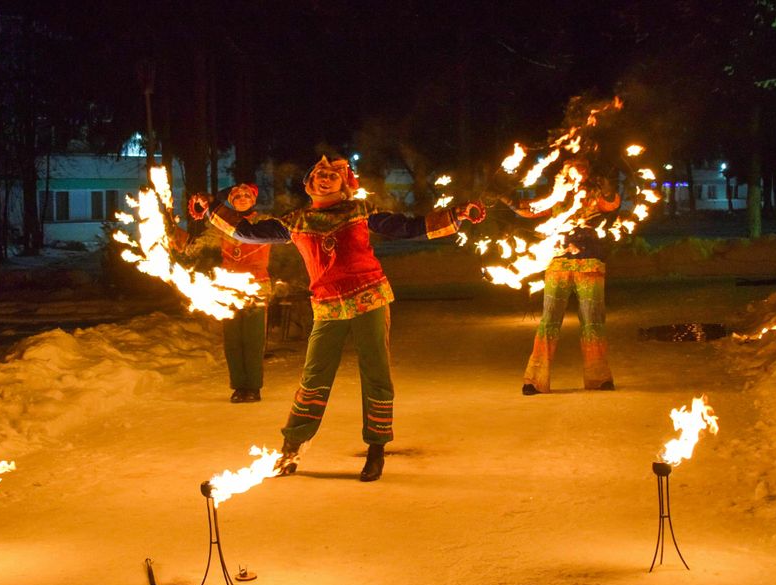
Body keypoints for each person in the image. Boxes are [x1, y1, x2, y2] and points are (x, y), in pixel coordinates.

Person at [190, 155, 485, 481]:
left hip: (369, 297)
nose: (324, 176)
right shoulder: (296, 220)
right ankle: (291, 448)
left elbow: (408, 227)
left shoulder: (361, 211)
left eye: (331, 173)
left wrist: (456, 215)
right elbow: (247, 231)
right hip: (328, 305)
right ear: (308, 184)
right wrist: (212, 207)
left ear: (343, 184)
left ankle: (376, 450)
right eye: (318, 172)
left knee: (376, 375)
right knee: (314, 377)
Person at [502, 160, 620, 396]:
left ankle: (599, 377)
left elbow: (611, 204)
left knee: (593, 322)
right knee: (549, 322)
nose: (577, 171)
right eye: (571, 168)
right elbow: (529, 209)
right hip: (557, 264)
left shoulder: (593, 195)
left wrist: (608, 190)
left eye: (582, 167)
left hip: (590, 265)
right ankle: (534, 380)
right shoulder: (555, 197)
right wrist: (507, 198)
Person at [173, 184, 272, 403]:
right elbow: (196, 247)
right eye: (237, 196)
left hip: (257, 288)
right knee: (233, 340)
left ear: (254, 200)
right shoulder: (220, 225)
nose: (243, 198)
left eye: (247, 195)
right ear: (231, 200)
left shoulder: (264, 221)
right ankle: (238, 387)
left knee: (253, 340)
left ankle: (253, 387)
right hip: (229, 290)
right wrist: (174, 236)